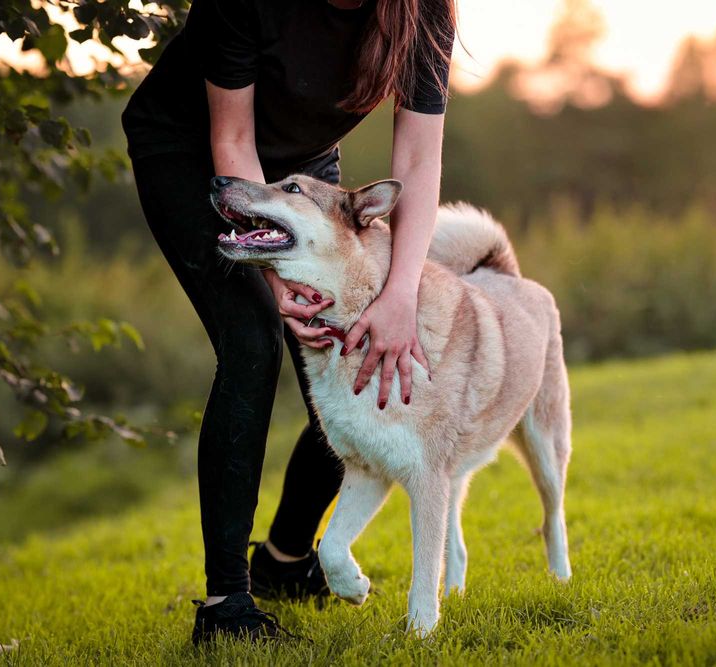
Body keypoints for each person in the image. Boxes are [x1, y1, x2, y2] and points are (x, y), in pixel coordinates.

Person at [122, 0, 455, 645]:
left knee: (350, 354)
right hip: (191, 155)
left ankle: (284, 560)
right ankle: (226, 608)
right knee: (252, 339)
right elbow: (232, 140)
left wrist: (400, 295)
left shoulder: (422, 10)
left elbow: (417, 163)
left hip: (303, 177)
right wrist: (273, 273)